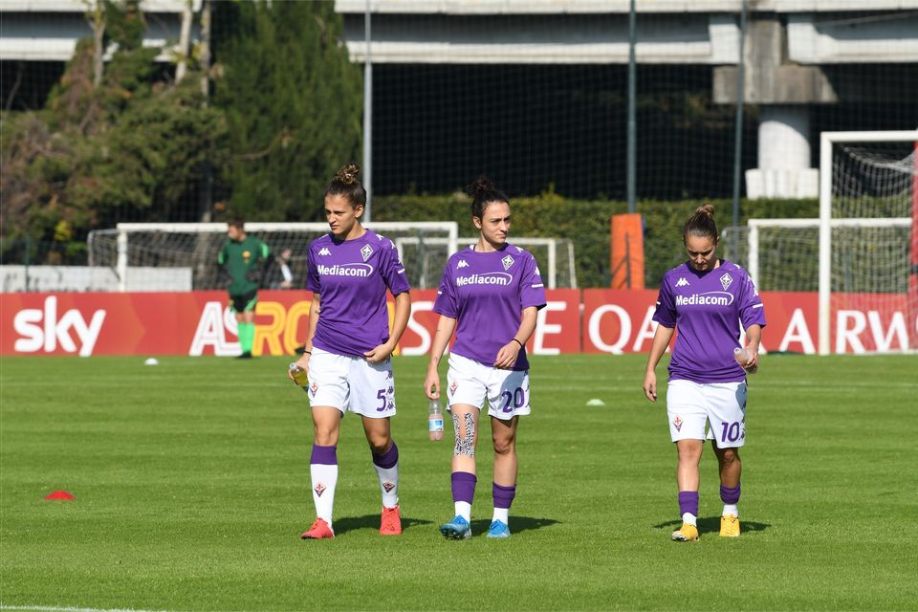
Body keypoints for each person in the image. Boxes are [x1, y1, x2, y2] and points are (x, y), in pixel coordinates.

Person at [289, 163, 412, 540]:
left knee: (379, 440)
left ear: (358, 210)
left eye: (338, 212)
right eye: (327, 212)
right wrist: (308, 352)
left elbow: (403, 297)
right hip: (327, 354)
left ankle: (390, 506)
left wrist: (391, 343)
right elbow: (316, 303)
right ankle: (323, 521)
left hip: (370, 357)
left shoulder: (381, 248)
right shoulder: (318, 249)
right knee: (324, 431)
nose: (331, 219)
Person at [425, 177, 547, 540]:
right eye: (496, 221)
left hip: (509, 369)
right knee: (464, 439)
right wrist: (433, 364)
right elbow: (447, 318)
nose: (504, 227)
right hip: (465, 363)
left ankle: (500, 520)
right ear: (477, 222)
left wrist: (517, 343)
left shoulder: (522, 261)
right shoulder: (458, 263)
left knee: (503, 443)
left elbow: (530, 314)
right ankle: (461, 518)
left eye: (507, 219)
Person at [642, 204, 766, 541]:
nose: (699, 259)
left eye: (706, 253)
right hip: (684, 377)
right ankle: (689, 522)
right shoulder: (674, 279)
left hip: (727, 380)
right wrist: (651, 367)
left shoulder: (737, 277)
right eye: (693, 253)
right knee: (687, 449)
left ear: (717, 244)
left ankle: (730, 513)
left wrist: (752, 347)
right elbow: (665, 325)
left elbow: (753, 320)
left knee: (727, 453)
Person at [218, 218, 272, 359]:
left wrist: (260, 272)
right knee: (239, 317)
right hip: (234, 288)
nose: (229, 234)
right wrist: (224, 276)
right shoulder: (228, 246)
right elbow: (220, 261)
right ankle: (243, 350)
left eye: (232, 231)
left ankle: (248, 350)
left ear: (240, 229)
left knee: (249, 315)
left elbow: (269, 255)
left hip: (249, 286)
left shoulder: (254, 243)